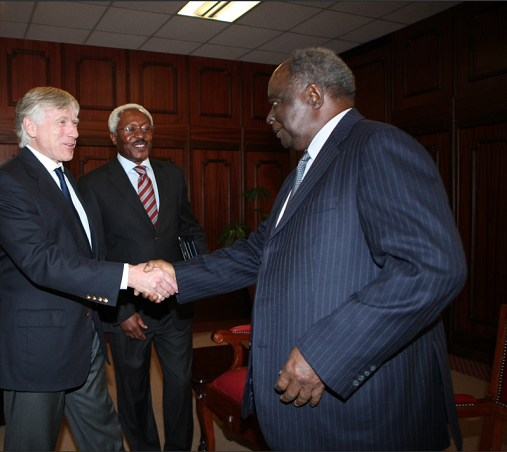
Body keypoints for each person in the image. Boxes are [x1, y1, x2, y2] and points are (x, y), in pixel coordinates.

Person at [143, 47, 467, 450]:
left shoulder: (378, 146)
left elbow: (431, 268)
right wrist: (174, 275)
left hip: (360, 407)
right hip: (306, 407)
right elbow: (260, 250)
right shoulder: (304, 170)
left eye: (276, 101)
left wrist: (325, 354)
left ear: (314, 95)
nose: (269, 115)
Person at [0, 87, 178, 451]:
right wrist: (130, 276)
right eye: (62, 122)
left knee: (104, 439)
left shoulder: (68, 180)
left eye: (75, 122)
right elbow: (41, 261)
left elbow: (88, 254)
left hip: (84, 338)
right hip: (38, 348)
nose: (74, 131)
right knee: (32, 443)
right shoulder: (7, 183)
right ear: (31, 127)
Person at [78, 104, 208, 451]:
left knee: (180, 385)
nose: (139, 134)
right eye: (130, 129)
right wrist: (118, 312)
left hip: (176, 306)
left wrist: (194, 278)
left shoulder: (172, 174)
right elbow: (95, 253)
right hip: (129, 312)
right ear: (113, 137)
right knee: (134, 391)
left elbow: (190, 232)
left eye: (145, 127)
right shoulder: (93, 183)